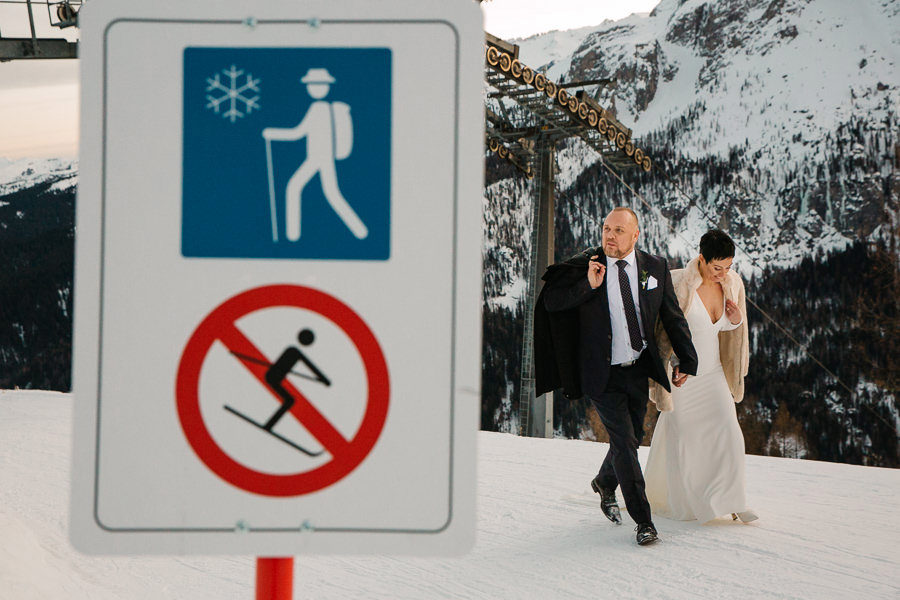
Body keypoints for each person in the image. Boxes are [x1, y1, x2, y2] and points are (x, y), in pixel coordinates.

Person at [537, 207, 698, 545]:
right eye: (606, 228)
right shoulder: (587, 266)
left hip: (638, 367)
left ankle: (605, 482)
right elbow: (551, 301)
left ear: (635, 235)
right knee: (626, 444)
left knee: (631, 438)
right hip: (600, 373)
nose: (609, 236)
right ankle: (644, 521)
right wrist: (587, 286)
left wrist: (688, 357)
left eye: (618, 231)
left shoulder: (654, 267)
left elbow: (672, 315)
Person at [645, 229, 757, 524]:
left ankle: (734, 500)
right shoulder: (679, 281)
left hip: (715, 372)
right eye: (717, 267)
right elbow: (661, 331)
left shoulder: (733, 284)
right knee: (685, 438)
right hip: (682, 375)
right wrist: (672, 365)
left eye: (729, 266)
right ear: (702, 259)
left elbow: (723, 331)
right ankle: (687, 502)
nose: (723, 273)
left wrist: (735, 321)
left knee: (729, 433)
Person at [262, 67, 368, 242]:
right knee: (321, 192)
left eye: (316, 85)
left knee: (308, 190)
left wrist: (272, 133)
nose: (313, 88)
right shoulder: (321, 108)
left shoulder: (318, 109)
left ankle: (293, 236)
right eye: (311, 85)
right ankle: (358, 231)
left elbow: (298, 133)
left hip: (319, 159)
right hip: (317, 159)